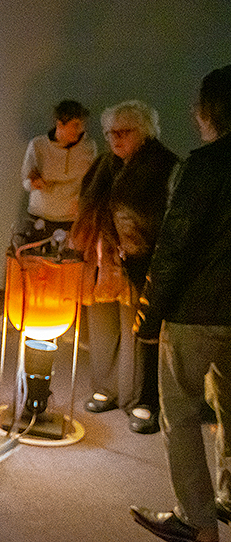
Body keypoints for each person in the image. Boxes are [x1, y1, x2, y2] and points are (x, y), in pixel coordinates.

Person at [130, 65, 231, 542]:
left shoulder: (203, 166)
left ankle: (198, 520)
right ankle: (228, 496)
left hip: (195, 314)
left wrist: (149, 317)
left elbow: (175, 245)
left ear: (210, 111)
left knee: (182, 414)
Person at [71, 100, 178, 435]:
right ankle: (106, 388)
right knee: (103, 330)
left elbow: (165, 219)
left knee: (138, 334)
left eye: (124, 132)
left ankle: (141, 399)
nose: (115, 139)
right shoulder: (105, 164)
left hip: (140, 263)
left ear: (144, 132)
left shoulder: (164, 165)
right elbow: (88, 204)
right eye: (110, 133)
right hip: (104, 262)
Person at [16, 99, 96, 245]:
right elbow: (26, 181)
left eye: (82, 125)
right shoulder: (38, 145)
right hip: (40, 217)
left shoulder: (88, 147)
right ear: (60, 124)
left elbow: (92, 182)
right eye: (75, 125)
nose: (80, 130)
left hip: (72, 220)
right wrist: (33, 182)